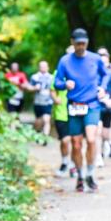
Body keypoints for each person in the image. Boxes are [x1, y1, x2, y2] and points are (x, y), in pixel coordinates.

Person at [53, 29, 108, 192]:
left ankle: (90, 173)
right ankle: (80, 175)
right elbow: (56, 82)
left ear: (87, 42)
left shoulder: (95, 59)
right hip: (74, 105)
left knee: (91, 139)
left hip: (92, 104)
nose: (81, 46)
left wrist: (103, 89)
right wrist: (64, 85)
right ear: (72, 42)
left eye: (83, 43)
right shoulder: (65, 61)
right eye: (78, 44)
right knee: (76, 144)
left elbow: (106, 75)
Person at [50, 47, 76, 177]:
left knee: (75, 140)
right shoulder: (58, 73)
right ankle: (65, 162)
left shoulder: (80, 72)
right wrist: (55, 99)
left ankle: (73, 165)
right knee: (65, 140)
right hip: (61, 112)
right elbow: (52, 89)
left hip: (76, 111)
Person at [30, 60, 55, 142]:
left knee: (46, 119)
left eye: (45, 66)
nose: (43, 68)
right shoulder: (34, 77)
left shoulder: (52, 77)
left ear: (48, 67)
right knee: (38, 121)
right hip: (38, 102)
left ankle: (45, 138)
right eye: (41, 66)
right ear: (39, 67)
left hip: (48, 102)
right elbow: (29, 89)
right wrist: (34, 88)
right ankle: (37, 132)